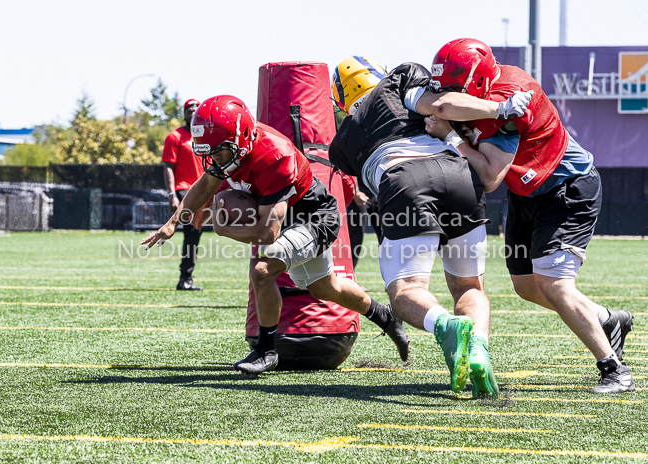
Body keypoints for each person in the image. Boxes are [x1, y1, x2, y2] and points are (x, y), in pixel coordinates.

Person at [425, 38, 635, 394]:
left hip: (566, 187)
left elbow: (491, 177)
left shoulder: (511, 100)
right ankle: (605, 319)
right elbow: (438, 101)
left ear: (477, 81)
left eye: (454, 86)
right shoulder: (479, 96)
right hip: (527, 192)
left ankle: (615, 369)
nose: (446, 95)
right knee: (525, 285)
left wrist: (453, 139)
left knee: (554, 283)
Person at [142, 95, 409, 375]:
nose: (215, 159)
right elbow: (207, 183)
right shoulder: (233, 146)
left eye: (219, 152)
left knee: (262, 270)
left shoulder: (273, 154)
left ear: (242, 139)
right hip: (287, 214)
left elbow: (267, 233)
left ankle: (266, 350)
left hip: (313, 217)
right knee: (325, 287)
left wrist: (222, 229)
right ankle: (386, 317)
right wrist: (173, 222)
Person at [329, 56, 532, 397]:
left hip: (405, 181)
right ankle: (478, 347)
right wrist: (498, 109)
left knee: (405, 290)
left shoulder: (341, 145)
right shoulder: (401, 79)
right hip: (459, 175)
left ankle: (447, 326)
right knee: (470, 287)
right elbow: (441, 105)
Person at [162, 99, 204, 290]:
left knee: (195, 233)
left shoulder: (206, 135)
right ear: (184, 113)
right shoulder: (175, 136)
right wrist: (172, 193)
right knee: (192, 231)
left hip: (203, 189)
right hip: (184, 188)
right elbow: (168, 167)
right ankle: (184, 278)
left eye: (196, 110)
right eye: (189, 110)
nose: (193, 113)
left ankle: (186, 277)